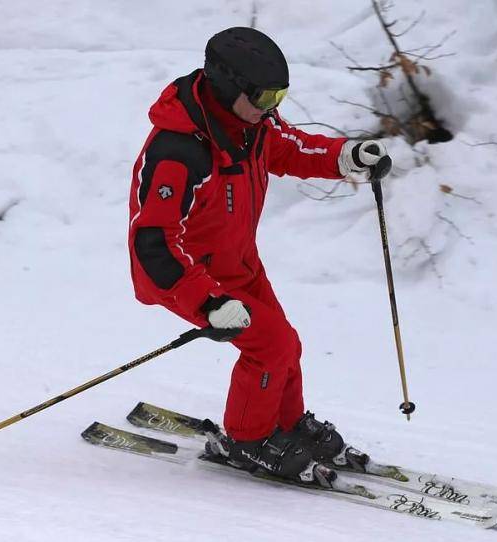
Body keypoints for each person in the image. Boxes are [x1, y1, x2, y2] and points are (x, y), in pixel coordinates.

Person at [128, 27, 388, 480]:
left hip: (238, 262)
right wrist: (207, 303)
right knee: (271, 346)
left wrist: (345, 156)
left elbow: (288, 147)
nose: (274, 108)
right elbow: (151, 243)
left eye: (280, 95)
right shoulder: (180, 151)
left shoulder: (251, 123)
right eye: (266, 96)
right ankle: (249, 441)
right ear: (228, 87)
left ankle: (285, 425)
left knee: (286, 342)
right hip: (187, 275)